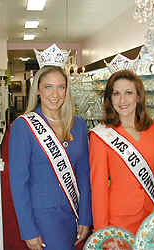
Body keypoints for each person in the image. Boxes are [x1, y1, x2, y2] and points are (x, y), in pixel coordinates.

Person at [8, 44, 92, 250]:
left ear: (67, 90)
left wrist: (86, 216)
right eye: (48, 87)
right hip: (43, 218)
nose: (55, 94)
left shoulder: (78, 124)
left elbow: (83, 174)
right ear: (38, 89)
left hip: (73, 213)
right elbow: (19, 183)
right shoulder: (24, 126)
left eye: (61, 87)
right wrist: (28, 229)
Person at [89, 69, 154, 235]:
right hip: (119, 220)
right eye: (116, 93)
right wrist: (101, 232)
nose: (122, 100)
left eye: (128, 93)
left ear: (138, 96)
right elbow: (99, 188)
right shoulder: (101, 135)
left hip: (152, 217)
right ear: (110, 99)